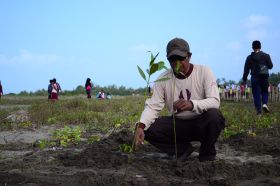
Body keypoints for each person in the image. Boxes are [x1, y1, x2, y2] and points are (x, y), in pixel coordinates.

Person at [134, 38, 225, 162]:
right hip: (178, 125)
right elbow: (152, 106)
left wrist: (191, 104)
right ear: (168, 60)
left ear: (189, 56)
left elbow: (215, 101)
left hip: (201, 122)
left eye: (181, 58)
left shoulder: (204, 72)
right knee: (146, 127)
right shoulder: (163, 79)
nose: (177, 62)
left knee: (214, 116)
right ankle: (182, 149)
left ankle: (206, 154)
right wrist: (141, 126)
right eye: (172, 59)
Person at [242, 40, 273, 114]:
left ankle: (259, 111)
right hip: (264, 77)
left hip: (255, 78)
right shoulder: (266, 56)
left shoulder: (249, 57)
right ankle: (265, 104)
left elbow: (246, 70)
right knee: (265, 91)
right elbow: (271, 66)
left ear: (252, 47)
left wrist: (244, 79)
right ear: (260, 47)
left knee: (256, 94)